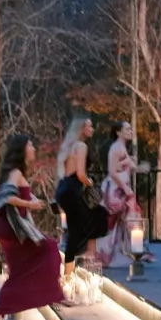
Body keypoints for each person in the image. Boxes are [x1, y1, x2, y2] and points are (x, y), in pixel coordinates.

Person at [0, 134, 64, 320]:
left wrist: (32, 199)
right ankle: (52, 292)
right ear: (22, 150)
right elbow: (8, 196)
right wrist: (30, 204)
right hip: (11, 228)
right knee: (50, 249)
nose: (34, 148)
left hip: (9, 227)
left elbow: (16, 193)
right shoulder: (16, 172)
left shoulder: (16, 172)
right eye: (31, 145)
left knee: (20, 270)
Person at [54, 117, 110, 278]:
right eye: (89, 126)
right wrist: (90, 183)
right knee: (95, 219)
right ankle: (72, 273)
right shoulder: (81, 146)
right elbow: (80, 173)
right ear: (81, 129)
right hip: (73, 190)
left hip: (65, 189)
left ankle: (74, 269)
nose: (92, 129)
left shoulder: (69, 147)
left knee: (79, 228)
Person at [95, 121, 153, 266]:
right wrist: (125, 189)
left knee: (124, 220)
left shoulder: (121, 147)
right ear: (119, 132)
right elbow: (112, 171)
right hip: (116, 189)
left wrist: (139, 168)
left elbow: (126, 168)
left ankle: (127, 251)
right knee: (122, 219)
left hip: (121, 187)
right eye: (127, 129)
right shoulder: (115, 148)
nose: (130, 131)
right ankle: (132, 250)